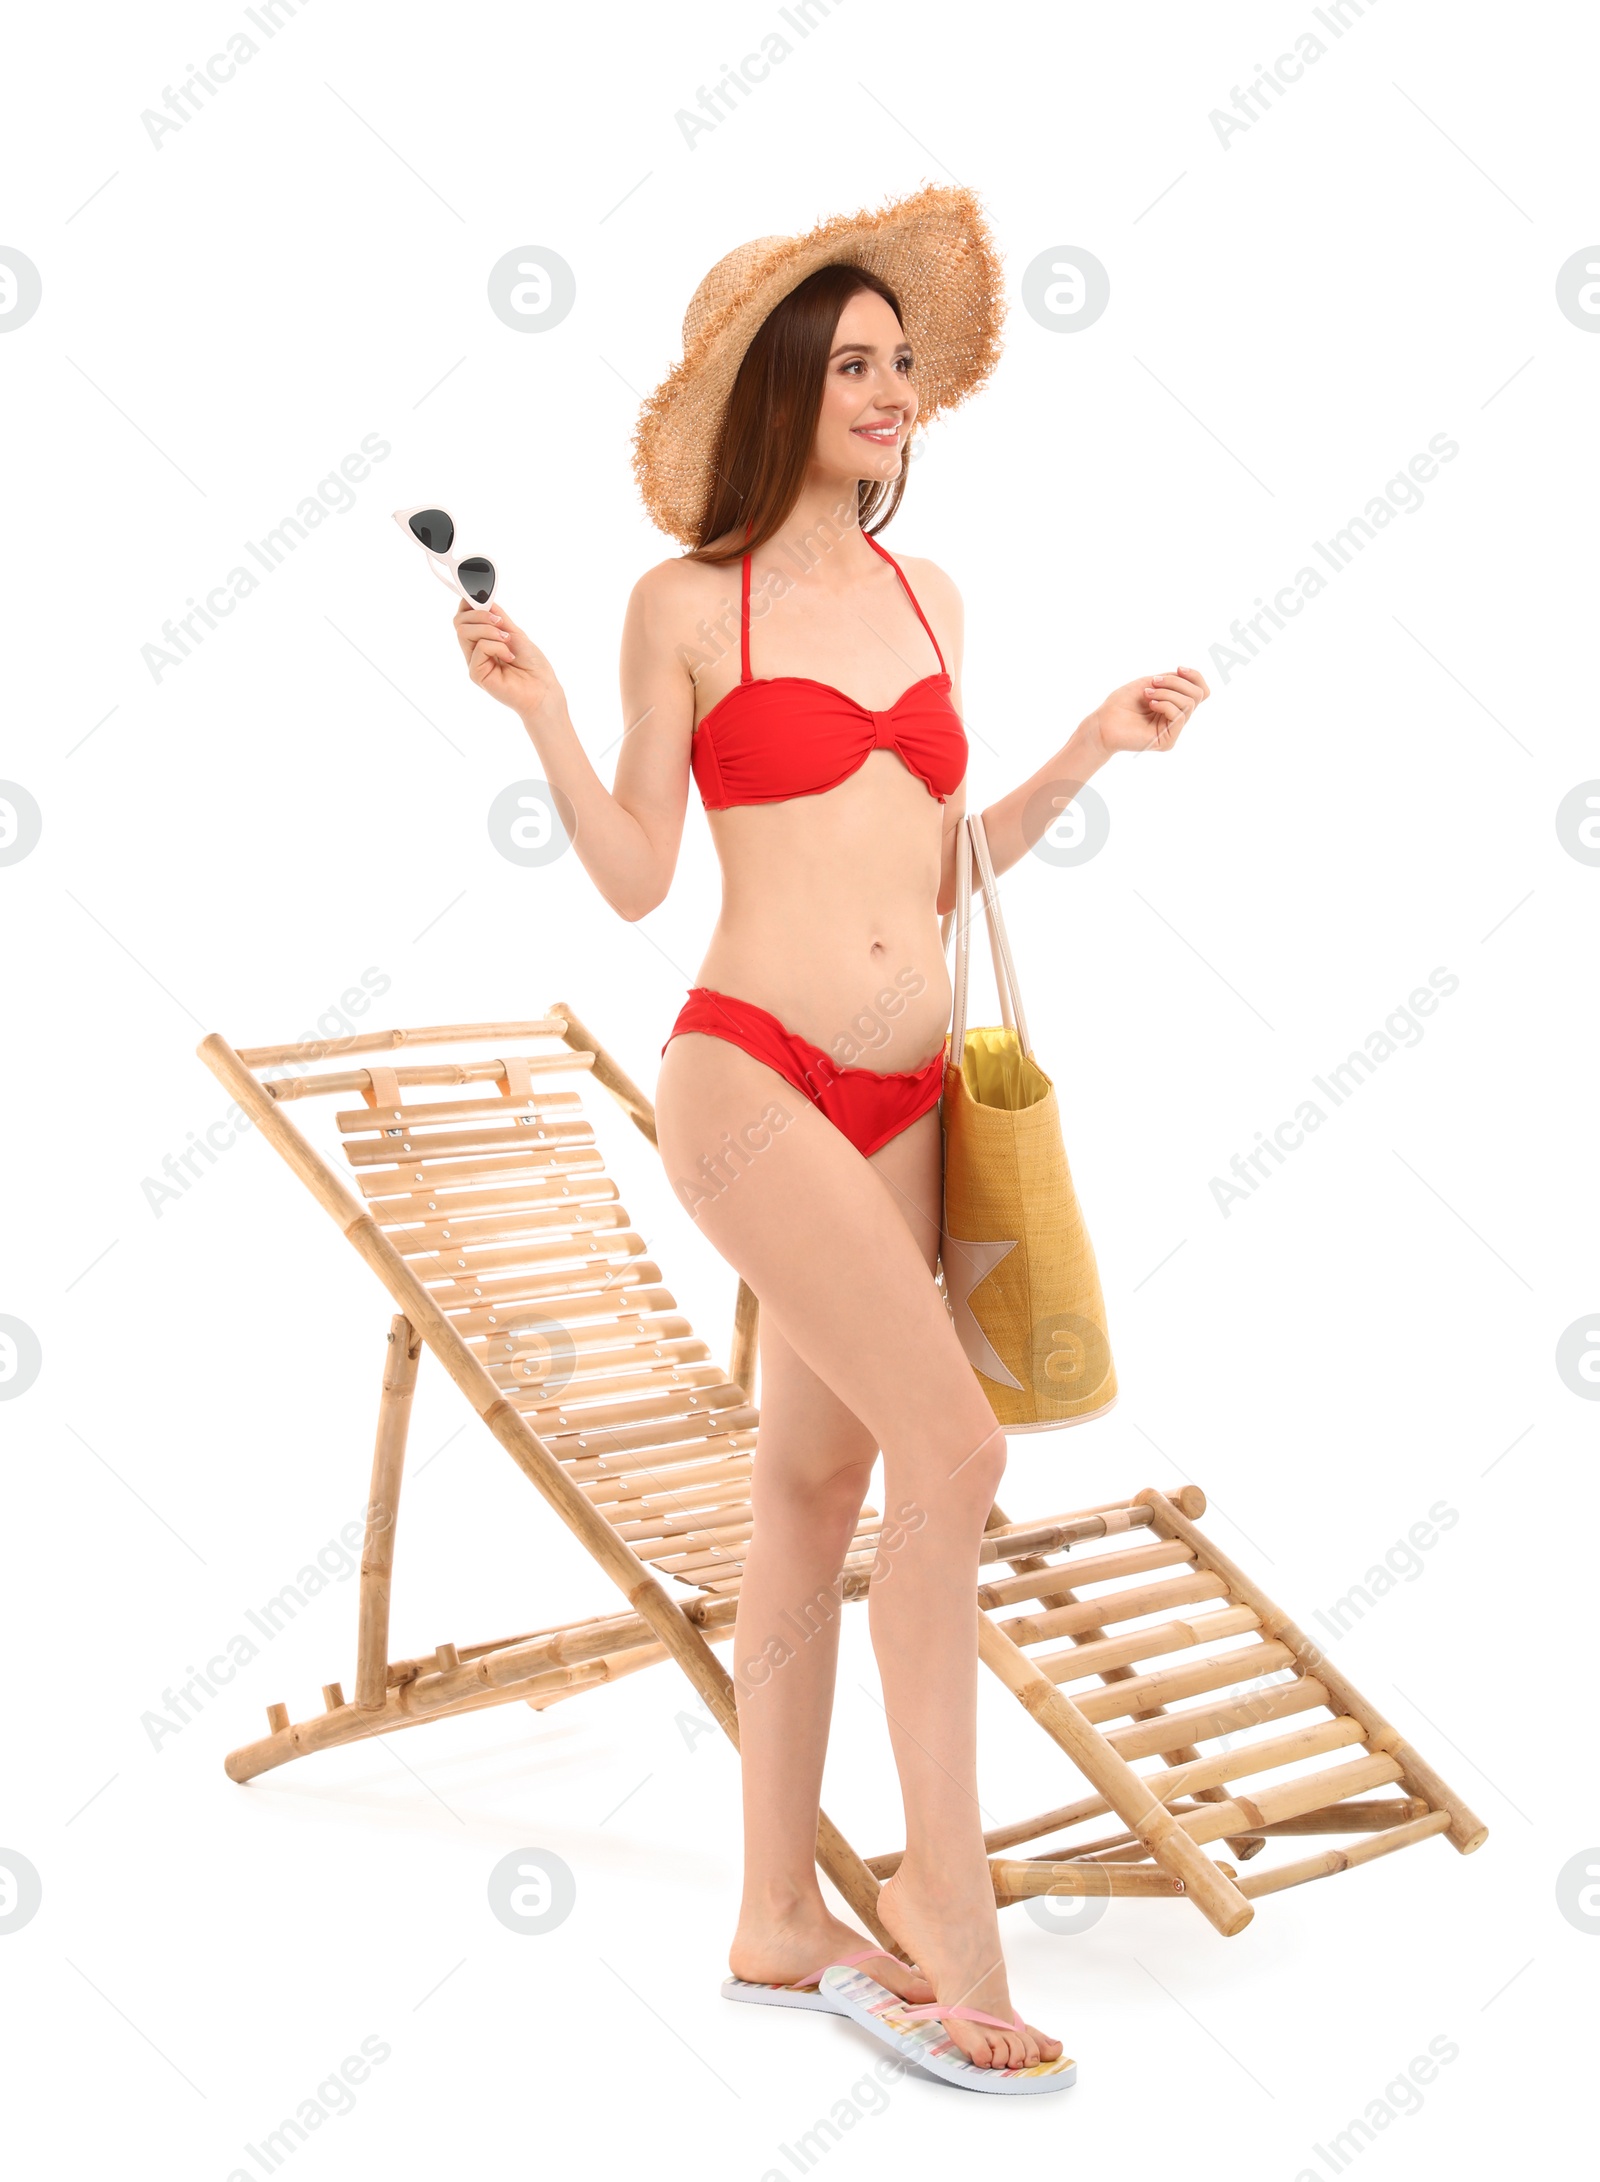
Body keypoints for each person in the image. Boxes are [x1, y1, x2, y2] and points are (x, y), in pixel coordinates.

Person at [452, 184, 1207, 2078]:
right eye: (855, 365)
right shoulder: (681, 606)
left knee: (815, 1489)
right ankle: (951, 1914)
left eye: (901, 367)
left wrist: (1088, 748)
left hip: (909, 1084)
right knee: (949, 1449)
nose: (892, 394)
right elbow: (638, 877)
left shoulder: (924, 595)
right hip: (752, 1070)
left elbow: (949, 871)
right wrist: (542, 711)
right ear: (779, 388)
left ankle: (777, 1915)